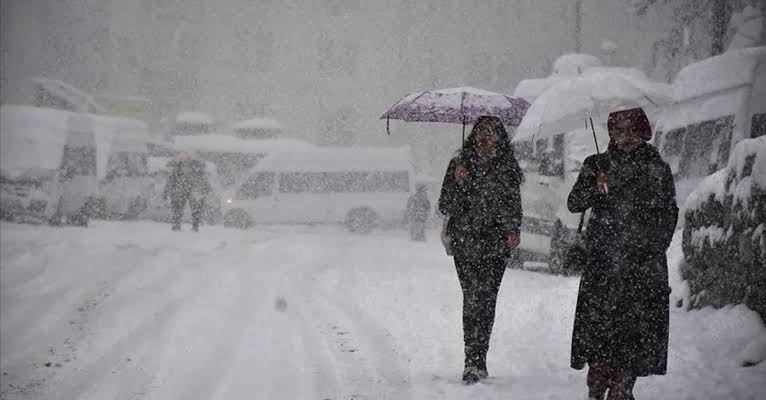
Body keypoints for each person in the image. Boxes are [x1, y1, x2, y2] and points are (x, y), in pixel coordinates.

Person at [567, 107, 678, 400]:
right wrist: (595, 186)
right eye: (619, 130)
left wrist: (653, 247)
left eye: (632, 130)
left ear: (643, 132)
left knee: (632, 334)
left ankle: (622, 387)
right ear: (611, 133)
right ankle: (597, 382)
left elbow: (669, 213)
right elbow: (574, 203)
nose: (626, 137)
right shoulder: (597, 164)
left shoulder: (657, 167)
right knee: (599, 330)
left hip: (641, 267)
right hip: (603, 264)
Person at [438, 115, 524, 384]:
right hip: (465, 242)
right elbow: (445, 205)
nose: (486, 136)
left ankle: (480, 358)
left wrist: (513, 230)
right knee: (472, 298)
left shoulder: (507, 168)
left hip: (495, 244)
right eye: (482, 131)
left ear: (500, 137)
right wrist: (460, 181)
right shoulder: (459, 165)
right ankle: (471, 360)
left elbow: (513, 205)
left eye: (492, 131)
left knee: (487, 300)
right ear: (474, 134)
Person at [163, 156, 212, 232]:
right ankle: (184, 226)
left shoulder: (178, 171)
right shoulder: (180, 171)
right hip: (185, 192)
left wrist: (166, 191)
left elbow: (170, 182)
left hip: (184, 191)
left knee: (181, 209)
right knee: (184, 209)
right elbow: (170, 182)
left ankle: (180, 225)